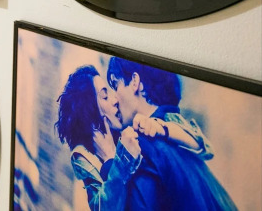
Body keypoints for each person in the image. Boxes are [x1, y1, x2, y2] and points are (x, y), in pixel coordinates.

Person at [55, 66, 211, 211]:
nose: (115, 100)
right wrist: (111, 160)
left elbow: (203, 145)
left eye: (112, 90)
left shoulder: (141, 137)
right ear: (90, 114)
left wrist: (160, 128)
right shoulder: (85, 158)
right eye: (105, 97)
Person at [106, 57, 237, 210]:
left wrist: (107, 162)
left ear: (134, 81)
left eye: (115, 85)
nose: (114, 99)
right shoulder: (186, 142)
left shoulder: (139, 148)